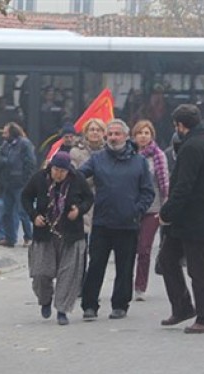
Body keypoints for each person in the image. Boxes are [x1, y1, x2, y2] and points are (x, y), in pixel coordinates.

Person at [79, 119, 154, 321]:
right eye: (110, 134)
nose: (113, 137)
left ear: (126, 136)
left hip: (128, 224)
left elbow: (148, 192)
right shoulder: (97, 159)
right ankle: (89, 306)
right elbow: (79, 177)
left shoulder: (139, 162)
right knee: (95, 266)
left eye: (117, 134)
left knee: (125, 267)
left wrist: (136, 210)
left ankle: (120, 305)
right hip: (102, 222)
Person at [158, 104, 204, 334]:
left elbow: (184, 186)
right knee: (166, 259)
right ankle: (183, 306)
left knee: (198, 270)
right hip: (188, 219)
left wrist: (166, 212)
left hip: (193, 218)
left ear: (181, 125)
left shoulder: (192, 146)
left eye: (176, 125)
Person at [22, 151, 93, 325]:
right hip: (45, 233)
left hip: (70, 234)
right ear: (50, 167)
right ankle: (45, 299)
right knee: (40, 273)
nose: (58, 174)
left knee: (68, 275)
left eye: (62, 171)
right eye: (56, 170)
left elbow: (89, 198)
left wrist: (79, 211)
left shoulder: (77, 180)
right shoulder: (39, 178)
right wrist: (33, 215)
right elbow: (25, 197)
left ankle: (62, 310)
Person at [132, 120, 169, 301]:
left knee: (144, 247)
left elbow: (164, 184)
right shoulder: (129, 154)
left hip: (153, 207)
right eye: (140, 133)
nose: (143, 136)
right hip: (131, 206)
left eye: (146, 133)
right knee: (129, 247)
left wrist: (166, 207)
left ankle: (140, 285)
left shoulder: (158, 156)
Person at [0, 122, 36, 248]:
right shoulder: (6, 145)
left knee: (23, 212)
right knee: (7, 211)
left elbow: (30, 163)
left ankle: (29, 237)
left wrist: (26, 180)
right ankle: (10, 238)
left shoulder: (24, 144)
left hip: (20, 183)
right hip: (8, 183)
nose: (3, 135)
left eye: (6, 132)